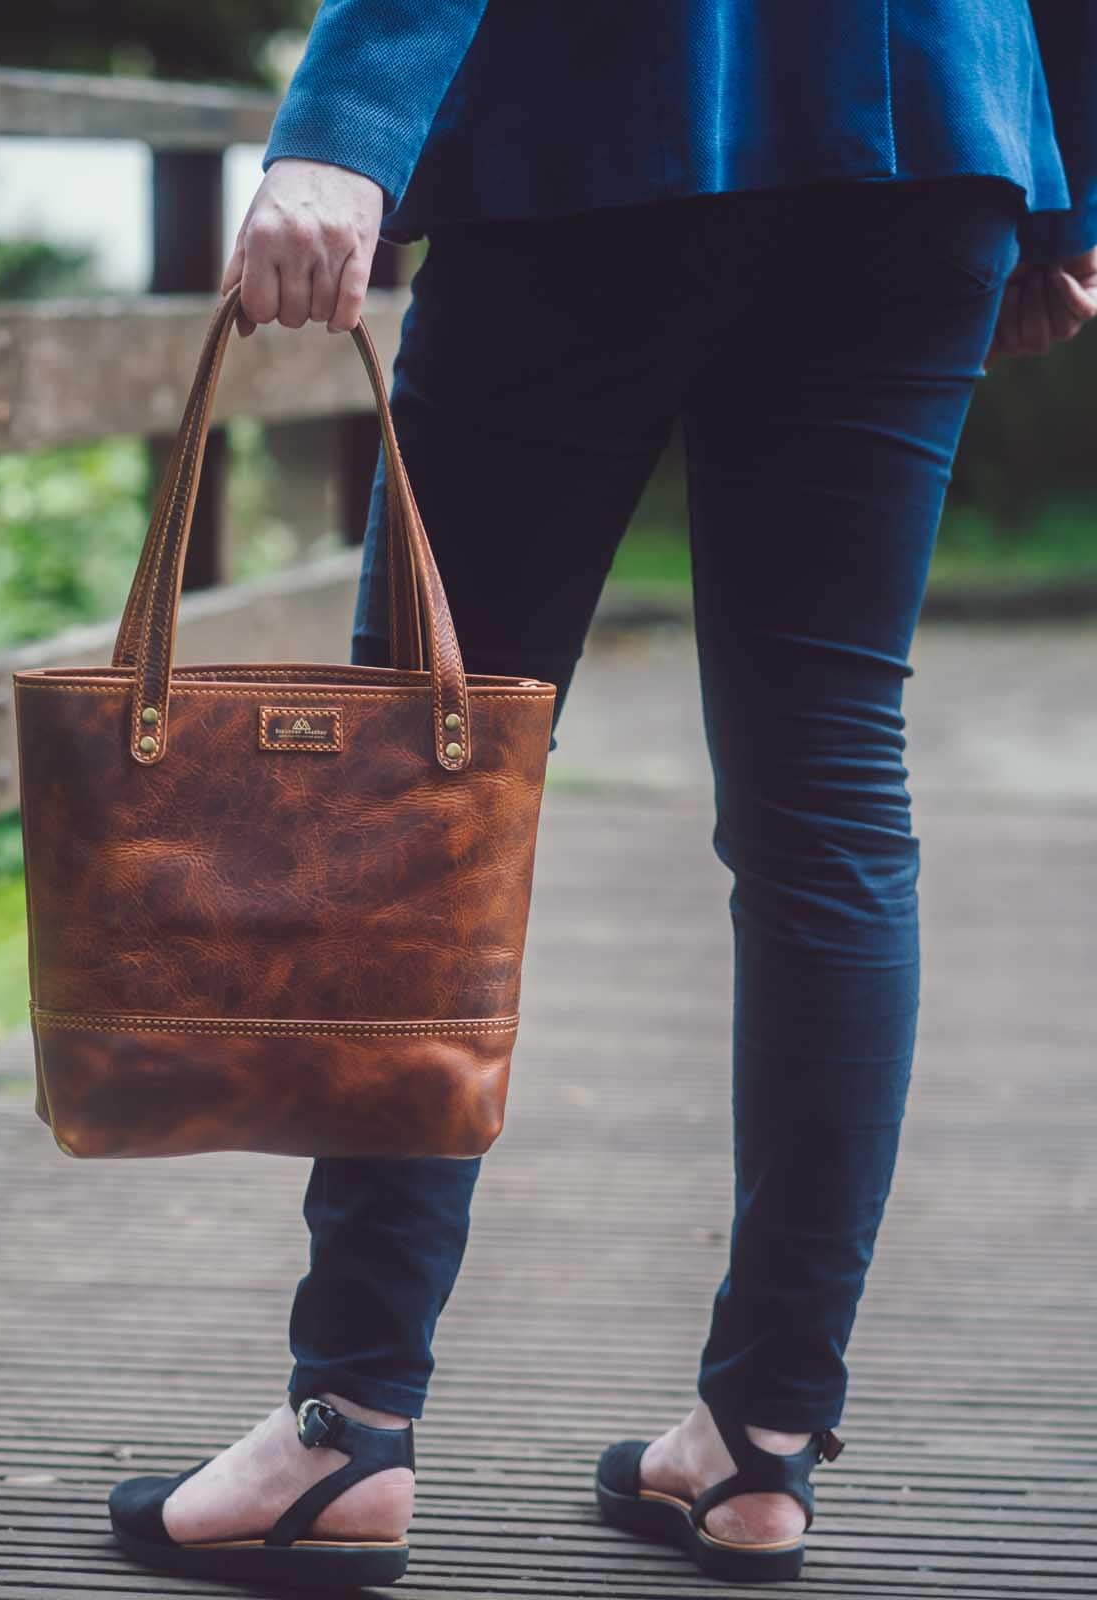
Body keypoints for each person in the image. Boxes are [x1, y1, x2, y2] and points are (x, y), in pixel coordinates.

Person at [108, 1, 1097, 1587]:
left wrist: (343, 133)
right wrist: (1063, 178)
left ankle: (348, 1425)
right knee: (829, 800)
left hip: (603, 108)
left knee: (428, 777)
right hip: (929, 122)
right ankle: (764, 1441)